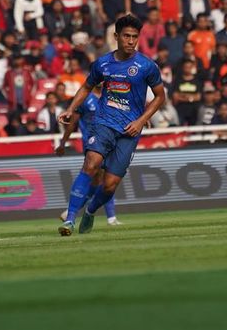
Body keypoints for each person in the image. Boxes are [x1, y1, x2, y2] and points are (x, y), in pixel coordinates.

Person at [57, 14, 165, 236]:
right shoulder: (103, 63)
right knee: (91, 164)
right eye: (126, 36)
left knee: (109, 185)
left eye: (135, 37)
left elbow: (159, 97)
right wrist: (71, 109)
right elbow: (86, 87)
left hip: (129, 130)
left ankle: (90, 211)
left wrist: (141, 121)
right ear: (116, 36)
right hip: (104, 122)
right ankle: (69, 220)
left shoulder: (146, 66)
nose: (131, 41)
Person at [56, 83, 121, 226]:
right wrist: (62, 143)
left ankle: (72, 211)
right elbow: (72, 123)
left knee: (98, 180)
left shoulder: (110, 97)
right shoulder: (85, 99)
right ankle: (110, 218)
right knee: (103, 177)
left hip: (108, 141)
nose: (101, 80)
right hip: (91, 144)